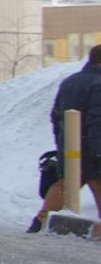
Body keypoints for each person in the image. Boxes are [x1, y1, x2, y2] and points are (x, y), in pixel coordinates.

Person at [34, 46, 101, 232]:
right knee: (98, 184)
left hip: (70, 146)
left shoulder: (70, 81)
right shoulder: (98, 83)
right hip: (93, 147)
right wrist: (98, 151)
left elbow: (56, 115)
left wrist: (61, 142)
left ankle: (41, 220)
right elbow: (97, 121)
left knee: (65, 184)